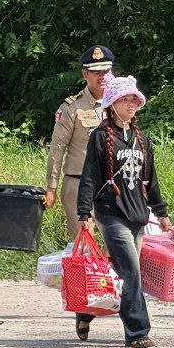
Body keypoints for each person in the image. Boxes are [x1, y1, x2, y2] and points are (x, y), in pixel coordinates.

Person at [75, 75, 172, 348]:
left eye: (134, 100)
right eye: (125, 99)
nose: (131, 104)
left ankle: (86, 311)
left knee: (120, 273)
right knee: (131, 272)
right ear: (112, 104)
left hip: (138, 215)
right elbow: (89, 177)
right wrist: (84, 214)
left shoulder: (142, 139)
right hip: (111, 214)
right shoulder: (100, 137)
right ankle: (138, 332)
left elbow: (151, 181)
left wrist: (161, 213)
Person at [45, 45, 114, 241]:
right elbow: (57, 148)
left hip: (112, 185)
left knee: (116, 245)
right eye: (96, 72)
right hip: (78, 183)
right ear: (85, 74)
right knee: (83, 245)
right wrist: (51, 187)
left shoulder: (119, 104)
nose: (102, 76)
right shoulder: (72, 107)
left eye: (106, 71)